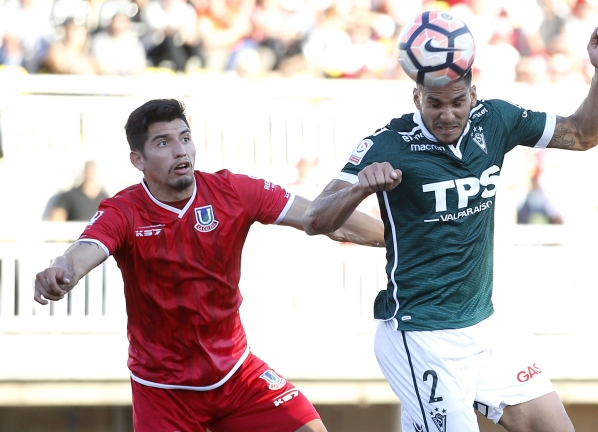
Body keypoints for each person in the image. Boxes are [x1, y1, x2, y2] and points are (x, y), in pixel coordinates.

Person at [303, 17, 598, 432]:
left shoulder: (498, 120)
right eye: (434, 104)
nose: (447, 114)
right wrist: (360, 189)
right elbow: (317, 218)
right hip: (420, 334)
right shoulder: (389, 144)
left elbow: (582, 134)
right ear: (416, 97)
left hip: (483, 328)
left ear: (473, 94)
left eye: (457, 102)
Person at [33, 99, 384, 431]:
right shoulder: (124, 211)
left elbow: (322, 217)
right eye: (163, 143)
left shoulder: (234, 191)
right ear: (137, 160)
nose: (180, 150)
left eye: (185, 138)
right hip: (163, 390)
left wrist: (399, 238)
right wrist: (62, 271)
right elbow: (84, 250)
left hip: (237, 374)